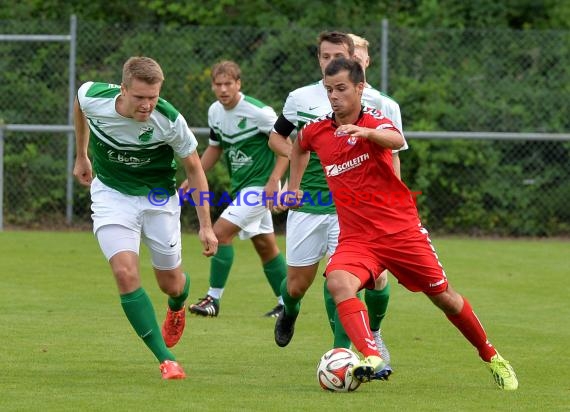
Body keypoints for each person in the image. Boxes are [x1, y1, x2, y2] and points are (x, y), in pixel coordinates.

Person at [287, 56, 518, 390]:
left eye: (341, 89)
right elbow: (298, 147)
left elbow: (395, 140)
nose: (334, 96)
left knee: (445, 298)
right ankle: (371, 356)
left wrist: (365, 132)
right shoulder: (318, 130)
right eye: (329, 90)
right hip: (358, 239)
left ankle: (492, 356)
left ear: (360, 87)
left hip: (401, 233)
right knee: (338, 282)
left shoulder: (375, 120)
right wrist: (293, 188)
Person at [268, 31, 403, 379]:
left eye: (337, 55)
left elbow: (393, 154)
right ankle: (291, 308)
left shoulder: (380, 103)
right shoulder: (301, 97)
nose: (331, 62)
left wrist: (395, 201)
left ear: (352, 58)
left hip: (356, 209)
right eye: (324, 56)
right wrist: (298, 175)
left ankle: (351, 349)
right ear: (319, 59)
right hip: (309, 204)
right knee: (297, 284)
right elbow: (280, 137)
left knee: (348, 279)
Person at [73, 56, 218, 380]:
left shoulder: (169, 120)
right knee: (125, 273)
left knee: (171, 284)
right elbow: (79, 106)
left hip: (158, 201)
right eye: (140, 97)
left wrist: (206, 226)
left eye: (153, 97)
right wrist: (82, 154)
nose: (147, 105)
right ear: (122, 90)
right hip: (112, 196)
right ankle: (166, 359)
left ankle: (178, 303)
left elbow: (194, 169)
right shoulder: (93, 96)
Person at [186, 60, 289, 318]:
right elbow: (215, 147)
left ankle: (213, 299)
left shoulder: (259, 112)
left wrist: (274, 181)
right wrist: (194, 175)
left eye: (228, 84)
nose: (223, 89)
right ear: (212, 86)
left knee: (219, 235)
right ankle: (287, 304)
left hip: (260, 187)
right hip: (242, 187)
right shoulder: (215, 112)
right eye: (218, 84)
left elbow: (287, 148)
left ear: (238, 84)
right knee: (265, 246)